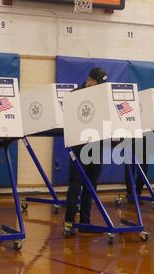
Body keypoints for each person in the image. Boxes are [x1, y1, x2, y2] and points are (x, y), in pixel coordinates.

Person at [63, 67, 108, 236]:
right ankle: (68, 222)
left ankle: (85, 223)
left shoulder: (102, 97)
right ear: (90, 81)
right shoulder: (75, 95)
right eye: (98, 83)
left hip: (96, 145)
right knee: (75, 185)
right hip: (80, 145)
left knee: (91, 185)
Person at [124, 136, 148, 204]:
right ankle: (130, 193)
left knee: (144, 170)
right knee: (130, 169)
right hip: (131, 139)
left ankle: (138, 192)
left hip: (144, 140)